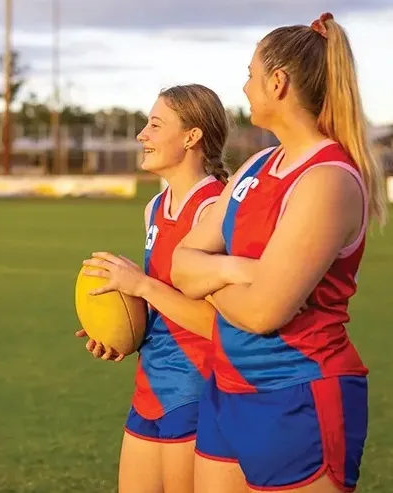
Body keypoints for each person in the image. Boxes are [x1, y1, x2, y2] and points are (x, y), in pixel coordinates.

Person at [170, 13, 386, 493]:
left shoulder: (327, 179)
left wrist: (208, 279)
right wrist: (238, 269)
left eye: (250, 74)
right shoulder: (257, 164)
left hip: (298, 396)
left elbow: (263, 311)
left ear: (278, 82)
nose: (244, 86)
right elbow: (179, 262)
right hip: (227, 389)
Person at [77, 83, 233, 493]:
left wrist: (141, 285)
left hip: (198, 390)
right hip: (149, 388)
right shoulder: (154, 208)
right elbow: (162, 306)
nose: (141, 135)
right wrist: (116, 330)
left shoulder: (214, 211)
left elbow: (225, 324)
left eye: (155, 124)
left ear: (191, 136)